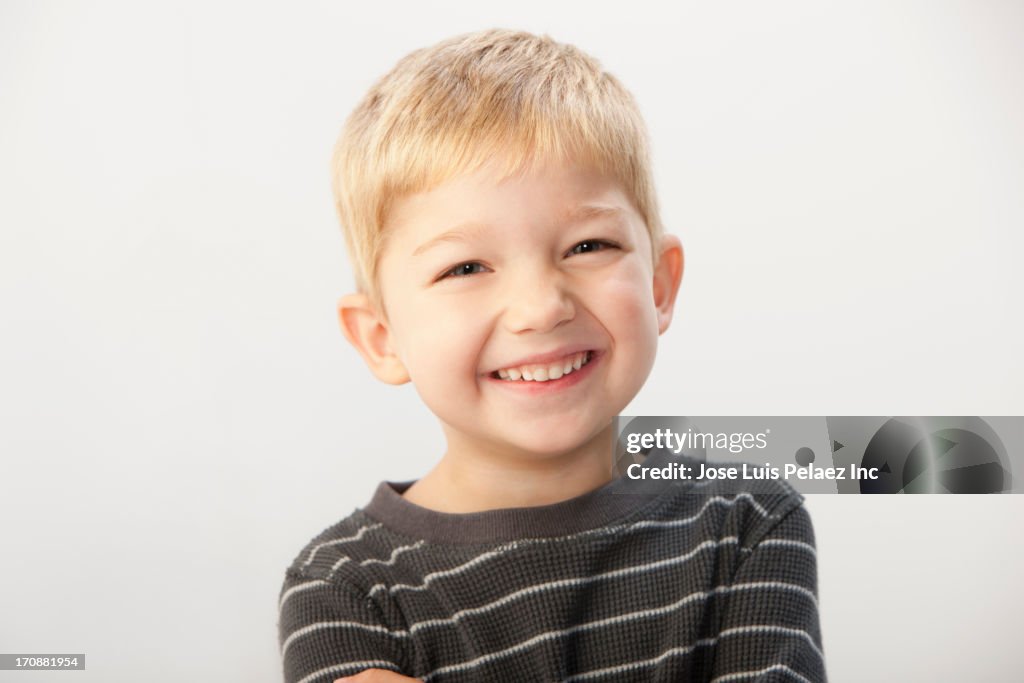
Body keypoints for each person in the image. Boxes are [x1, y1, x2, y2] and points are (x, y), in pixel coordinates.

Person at [277, 28, 825, 683]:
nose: (541, 307)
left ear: (659, 285)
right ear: (381, 336)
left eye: (588, 246)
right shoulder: (344, 590)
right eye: (467, 266)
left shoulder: (750, 521)